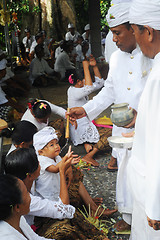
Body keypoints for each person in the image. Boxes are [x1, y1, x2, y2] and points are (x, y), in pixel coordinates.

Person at [67, 0, 152, 232]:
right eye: (111, 33)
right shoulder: (116, 59)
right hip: (121, 130)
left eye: (117, 33)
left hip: (149, 128)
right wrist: (86, 109)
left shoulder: (153, 57)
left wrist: (144, 118)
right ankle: (129, 216)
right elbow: (109, 91)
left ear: (134, 29)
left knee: (147, 174)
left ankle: (147, 216)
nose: (113, 39)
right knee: (124, 173)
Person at [126, 0, 160, 238]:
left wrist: (155, 204)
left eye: (135, 31)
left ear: (148, 32)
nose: (136, 41)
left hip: (153, 196)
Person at [33, 126, 117, 216]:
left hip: (57, 189)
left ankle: (91, 206)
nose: (57, 146)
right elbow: (56, 169)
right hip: (48, 197)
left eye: (56, 143)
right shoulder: (41, 160)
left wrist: (68, 161)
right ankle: (88, 205)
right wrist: (67, 161)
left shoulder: (55, 156)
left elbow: (61, 163)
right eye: (51, 145)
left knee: (76, 178)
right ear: (41, 152)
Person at [68, 57, 111, 166]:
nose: (87, 81)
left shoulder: (79, 89)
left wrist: (94, 66)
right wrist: (85, 67)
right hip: (79, 129)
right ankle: (90, 155)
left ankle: (88, 145)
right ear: (78, 82)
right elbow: (89, 88)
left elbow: (100, 84)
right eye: (84, 79)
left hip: (86, 125)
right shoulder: (72, 91)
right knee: (110, 134)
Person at [0, 174, 53, 240]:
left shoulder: (18, 219)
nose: (30, 197)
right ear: (17, 207)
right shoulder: (7, 237)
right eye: (27, 193)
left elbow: (35, 238)